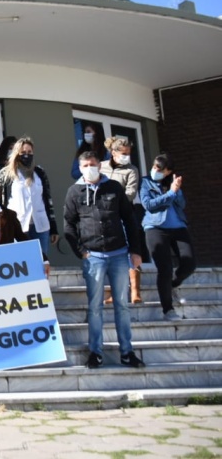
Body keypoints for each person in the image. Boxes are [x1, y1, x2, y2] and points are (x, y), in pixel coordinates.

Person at [64, 151, 145, 369]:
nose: (89, 168)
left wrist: (135, 251)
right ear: (79, 168)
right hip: (93, 257)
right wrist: (80, 251)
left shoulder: (114, 187)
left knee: (122, 305)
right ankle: (95, 352)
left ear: (99, 165)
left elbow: (129, 219)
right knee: (95, 306)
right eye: (85, 165)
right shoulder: (74, 192)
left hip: (118, 254)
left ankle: (127, 352)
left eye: (92, 164)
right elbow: (69, 225)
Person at [140, 153, 196, 321]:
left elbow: (182, 204)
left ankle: (172, 284)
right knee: (164, 268)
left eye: (159, 169)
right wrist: (171, 193)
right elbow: (149, 205)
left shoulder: (172, 182)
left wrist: (176, 191)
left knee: (189, 263)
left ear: (168, 171)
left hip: (178, 226)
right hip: (155, 227)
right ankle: (168, 309)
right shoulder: (145, 182)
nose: (155, 170)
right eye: (154, 166)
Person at [0, 137, 58, 255]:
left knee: (41, 261)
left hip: (40, 224)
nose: (27, 155)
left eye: (29, 152)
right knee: (21, 262)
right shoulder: (6, 174)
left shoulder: (39, 172)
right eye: (23, 152)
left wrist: (54, 227)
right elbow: (0, 201)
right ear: (16, 153)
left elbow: (47, 200)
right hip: (17, 224)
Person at [100, 136, 143, 303]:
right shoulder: (101, 167)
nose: (126, 156)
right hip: (105, 217)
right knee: (110, 253)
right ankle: (114, 292)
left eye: (128, 153)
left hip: (124, 214)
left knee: (131, 251)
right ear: (113, 153)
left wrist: (113, 200)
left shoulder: (131, 170)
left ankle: (135, 291)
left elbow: (131, 192)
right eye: (123, 153)